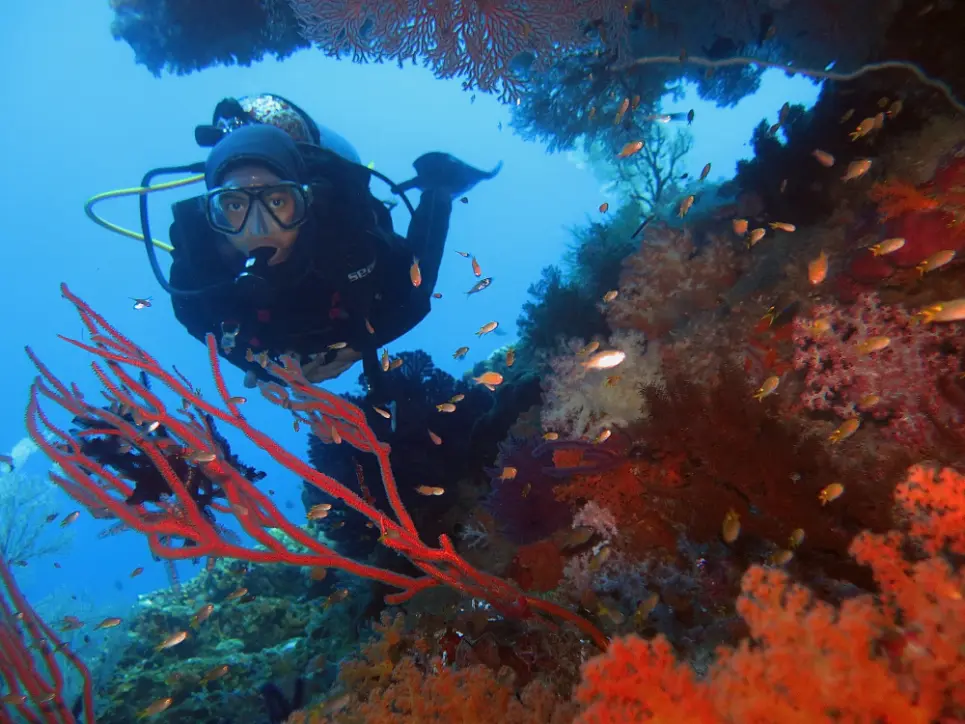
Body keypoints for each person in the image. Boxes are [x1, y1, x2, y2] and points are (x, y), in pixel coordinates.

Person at [166, 94, 500, 399]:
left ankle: (439, 185)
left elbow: (415, 295)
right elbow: (192, 316)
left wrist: (360, 346)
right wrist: (256, 366)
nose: (257, 228)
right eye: (234, 205)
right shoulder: (199, 263)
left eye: (277, 201)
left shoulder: (343, 229)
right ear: (212, 213)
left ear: (305, 202)